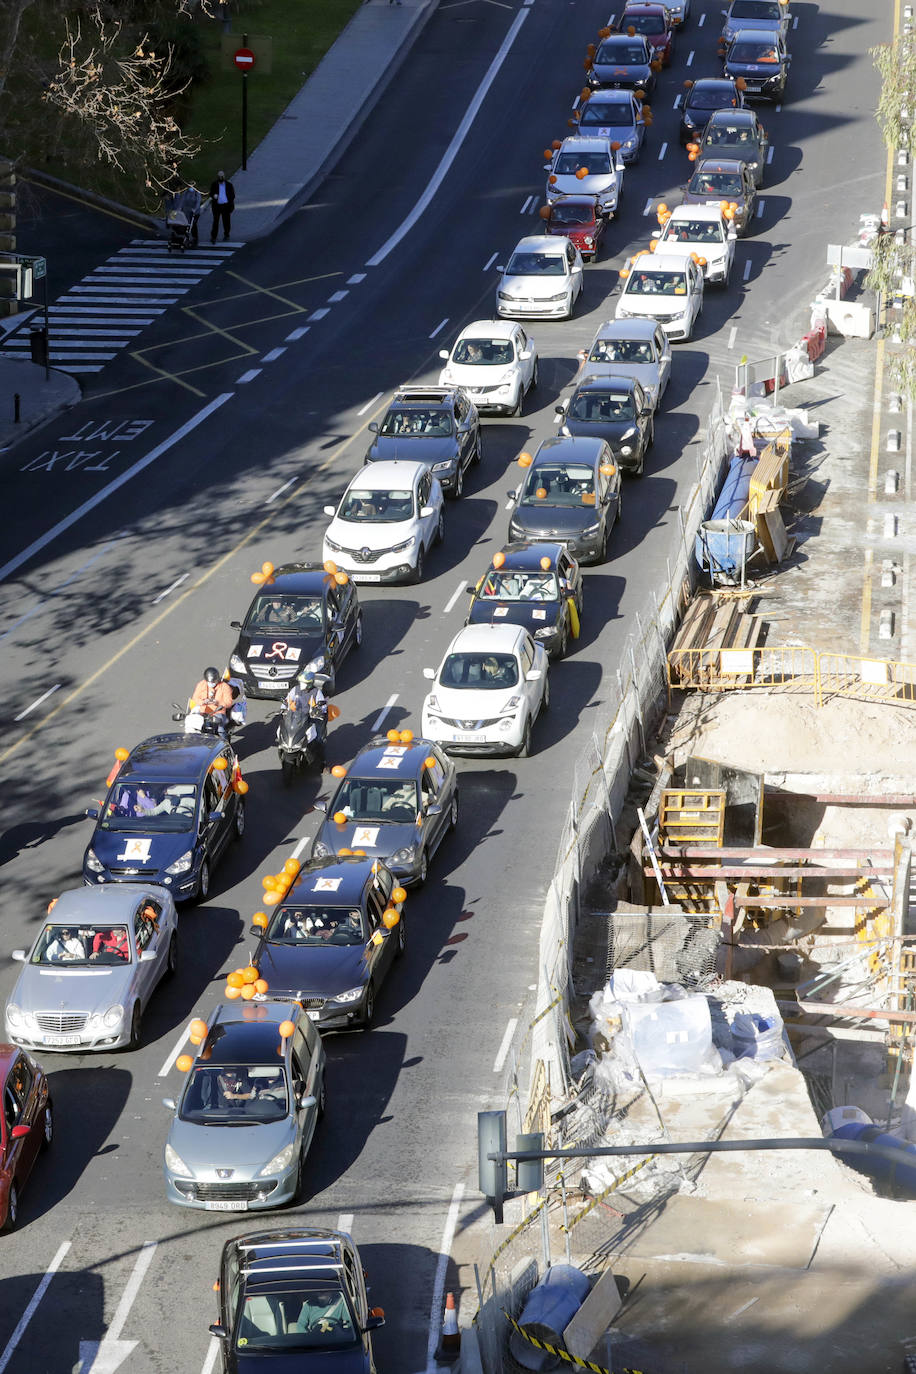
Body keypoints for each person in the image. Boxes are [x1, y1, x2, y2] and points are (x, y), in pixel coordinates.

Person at [187, 666, 234, 734]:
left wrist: (218, 702)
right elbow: (195, 698)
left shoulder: (225, 687)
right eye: (209, 682)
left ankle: (224, 743)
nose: (211, 683)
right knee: (192, 725)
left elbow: (228, 702)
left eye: (213, 681)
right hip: (203, 712)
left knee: (219, 728)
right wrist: (203, 702)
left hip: (218, 712)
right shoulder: (201, 684)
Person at [209, 171, 235, 243]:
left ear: (224, 176)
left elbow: (232, 195)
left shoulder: (229, 185)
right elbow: (211, 193)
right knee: (215, 222)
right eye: (219, 176)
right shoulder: (214, 184)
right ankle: (213, 237)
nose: (220, 178)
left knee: (226, 221)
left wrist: (229, 202)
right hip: (217, 206)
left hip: (226, 206)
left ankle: (226, 234)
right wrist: (214, 196)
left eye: (222, 176)